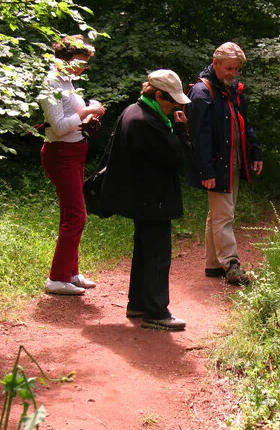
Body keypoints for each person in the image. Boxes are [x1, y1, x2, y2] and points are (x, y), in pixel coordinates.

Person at [97, 70, 191, 331]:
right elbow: (180, 158)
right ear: (158, 94)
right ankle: (156, 311)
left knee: (144, 252)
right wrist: (182, 130)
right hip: (154, 198)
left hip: (144, 197)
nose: (175, 108)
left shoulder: (134, 111)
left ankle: (138, 304)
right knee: (158, 255)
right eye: (172, 102)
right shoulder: (148, 122)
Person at [186, 42, 263, 286]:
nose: (233, 73)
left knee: (218, 214)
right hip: (218, 165)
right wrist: (206, 170)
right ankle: (231, 264)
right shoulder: (201, 92)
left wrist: (255, 152)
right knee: (224, 215)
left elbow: (244, 122)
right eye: (229, 68)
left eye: (236, 69)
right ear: (215, 63)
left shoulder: (229, 89)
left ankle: (213, 264)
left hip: (234, 160)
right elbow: (199, 136)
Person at [39, 34, 106, 296]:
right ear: (63, 58)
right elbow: (59, 127)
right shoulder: (51, 83)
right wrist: (88, 112)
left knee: (71, 214)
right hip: (61, 154)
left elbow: (71, 121)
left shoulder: (66, 81)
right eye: (78, 61)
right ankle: (56, 279)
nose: (81, 67)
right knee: (77, 215)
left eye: (85, 64)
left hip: (75, 151)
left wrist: (88, 114)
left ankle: (70, 273)